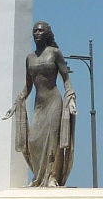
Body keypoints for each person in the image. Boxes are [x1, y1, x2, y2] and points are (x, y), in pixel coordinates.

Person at [12, 21, 77, 186]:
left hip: (54, 101)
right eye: (34, 30)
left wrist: (71, 97)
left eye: (40, 30)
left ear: (46, 33)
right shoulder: (30, 58)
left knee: (52, 140)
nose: (37, 33)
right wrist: (18, 100)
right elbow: (28, 86)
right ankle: (39, 176)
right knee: (33, 140)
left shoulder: (55, 53)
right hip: (39, 104)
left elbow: (66, 79)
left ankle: (52, 177)